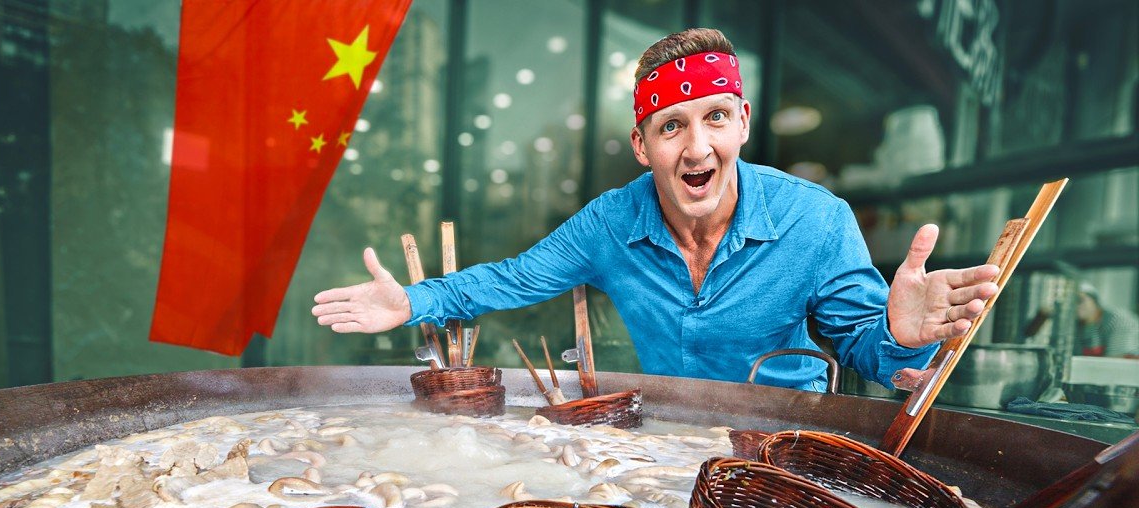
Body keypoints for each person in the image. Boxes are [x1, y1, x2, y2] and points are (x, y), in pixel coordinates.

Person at [312, 28, 1000, 391]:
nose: (698, 147)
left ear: (743, 123)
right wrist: (413, 301)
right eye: (672, 126)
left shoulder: (816, 220)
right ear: (642, 146)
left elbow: (873, 357)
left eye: (715, 118)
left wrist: (900, 335)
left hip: (785, 440)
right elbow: (511, 278)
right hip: (666, 437)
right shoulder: (609, 223)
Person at [1075, 285, 1139, 358]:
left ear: (1094, 301)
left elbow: (1116, 360)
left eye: (1080, 300)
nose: (1076, 306)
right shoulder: (1076, 325)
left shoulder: (1118, 320)